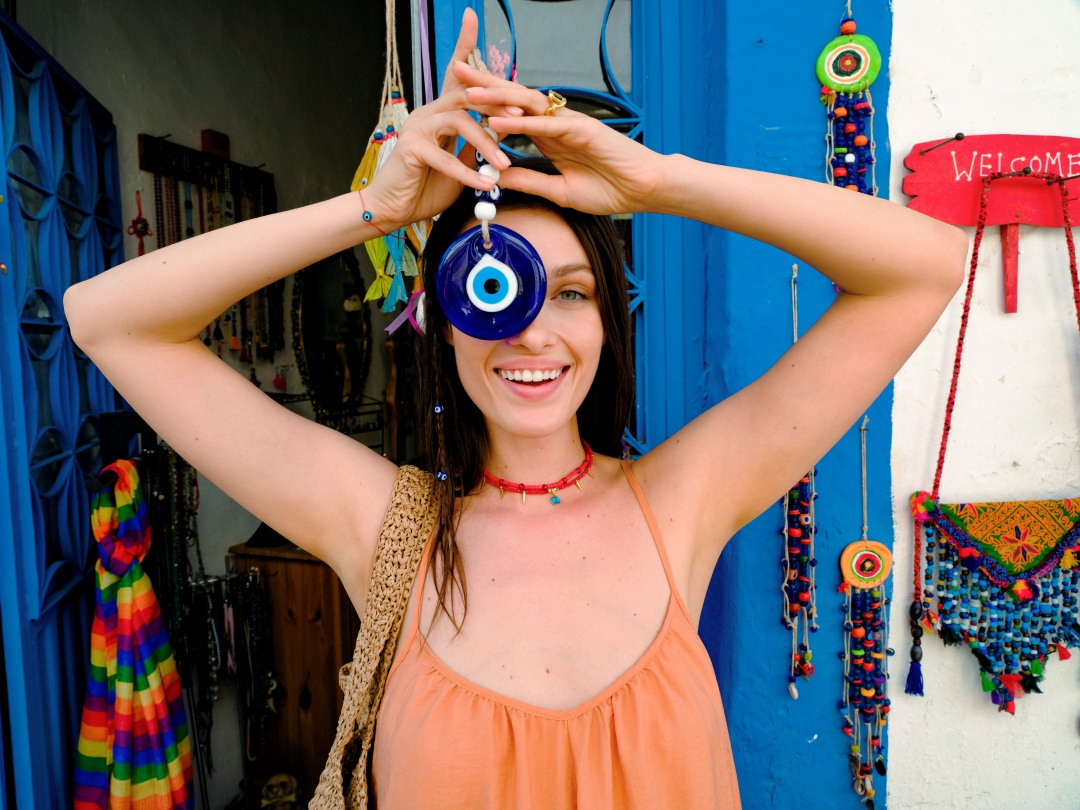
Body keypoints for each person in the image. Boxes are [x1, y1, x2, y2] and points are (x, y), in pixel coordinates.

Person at [64, 10, 967, 809]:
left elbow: (921, 270)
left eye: (570, 293)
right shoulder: (383, 530)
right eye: (493, 290)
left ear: (609, 324)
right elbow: (109, 323)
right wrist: (373, 210)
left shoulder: (681, 501)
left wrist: (658, 183)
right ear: (445, 324)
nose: (532, 331)